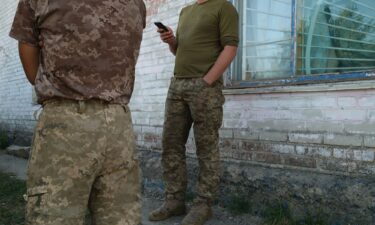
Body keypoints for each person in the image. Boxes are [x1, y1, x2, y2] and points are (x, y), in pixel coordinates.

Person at [9, 0, 146, 224]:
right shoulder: (136, 3)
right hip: (119, 124)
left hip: (65, 123)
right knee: (122, 216)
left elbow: (28, 49)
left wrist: (54, 89)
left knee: (54, 216)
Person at [148, 0, 239, 224]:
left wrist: (208, 80)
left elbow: (231, 47)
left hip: (204, 88)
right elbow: (179, 51)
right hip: (177, 85)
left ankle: (203, 204)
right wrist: (171, 41)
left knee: (206, 147)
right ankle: (174, 200)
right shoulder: (186, 11)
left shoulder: (224, 7)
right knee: (171, 144)